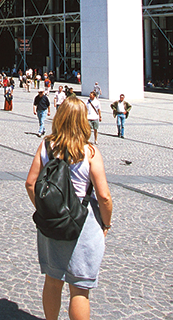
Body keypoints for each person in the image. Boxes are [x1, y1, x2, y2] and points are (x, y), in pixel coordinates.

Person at [25, 97, 112, 320]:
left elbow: (30, 183)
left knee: (53, 281)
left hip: (52, 223)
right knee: (80, 288)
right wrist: (107, 223)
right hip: (83, 224)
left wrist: (46, 210)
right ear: (83, 121)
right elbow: (103, 196)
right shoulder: (90, 152)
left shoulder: (46, 145)